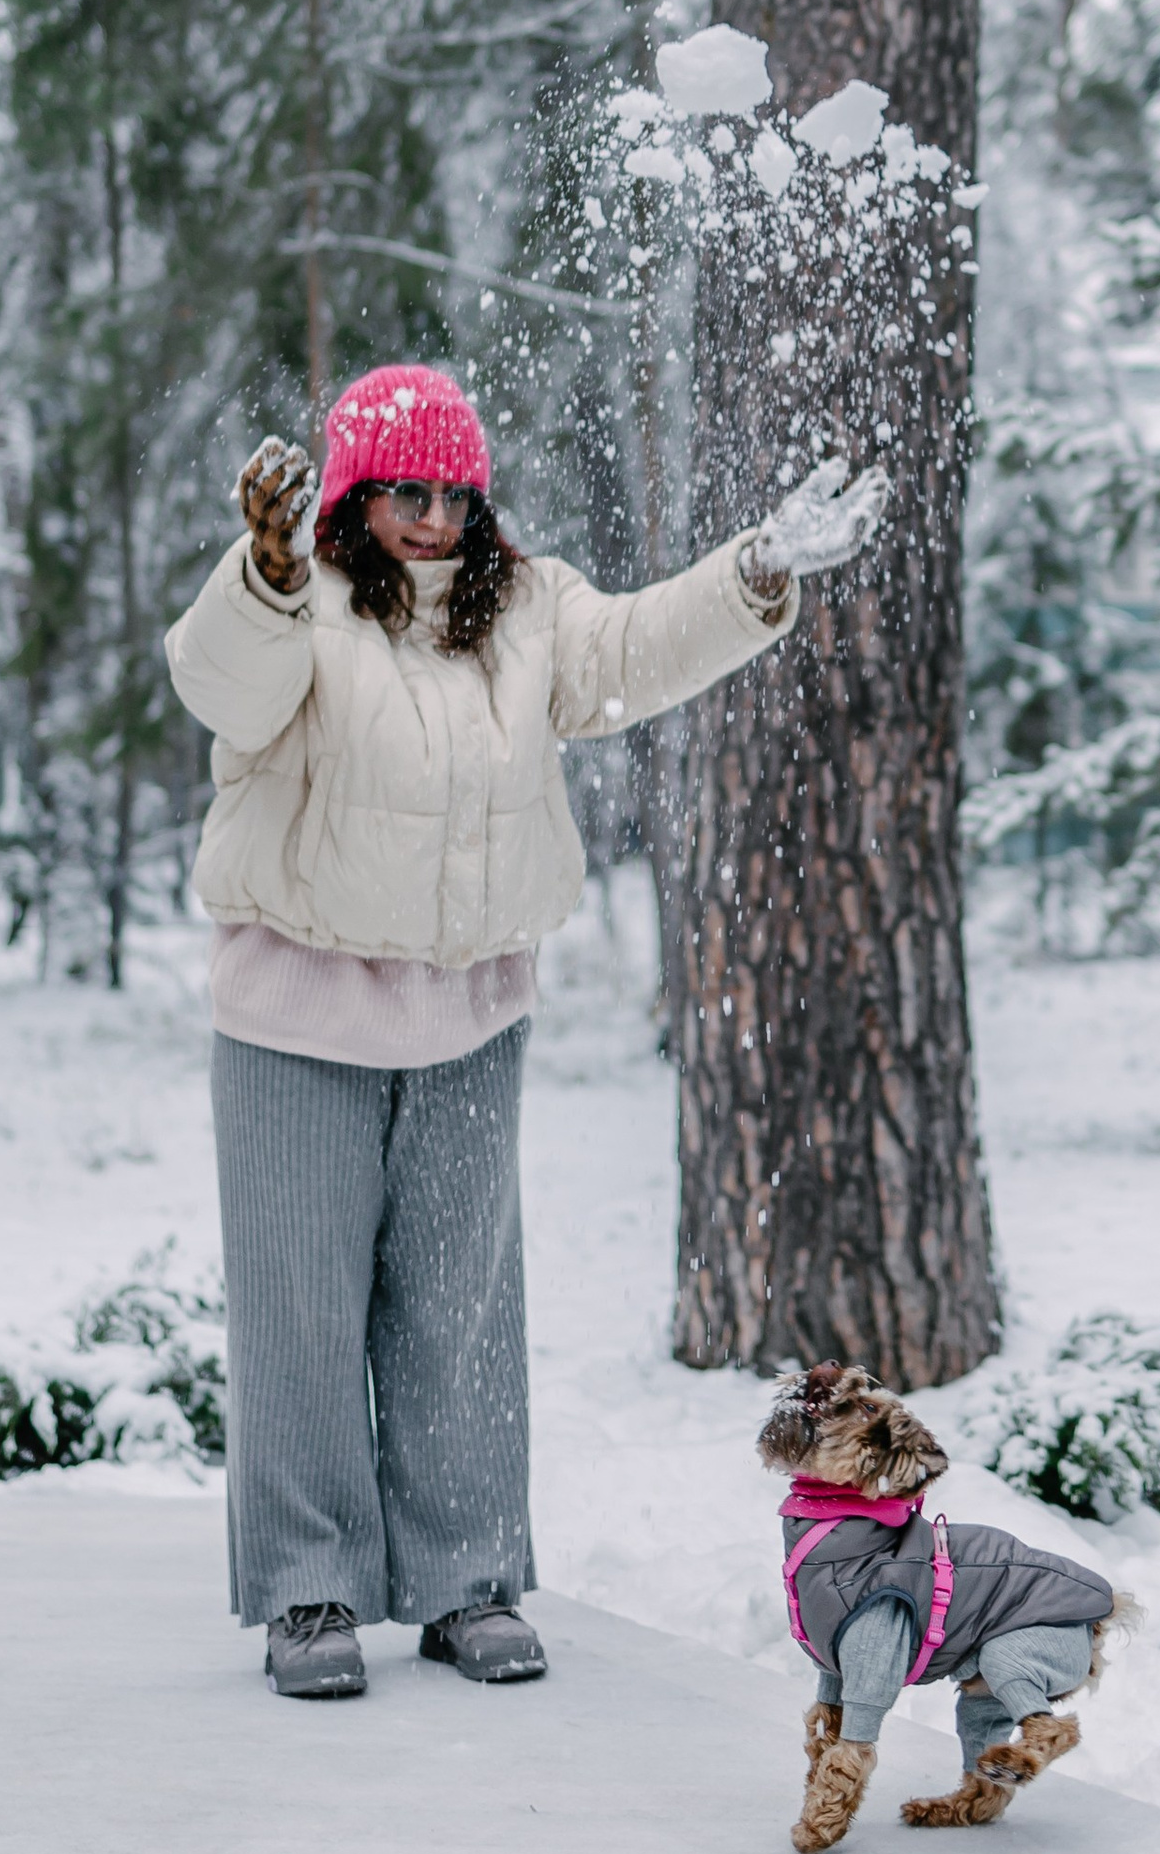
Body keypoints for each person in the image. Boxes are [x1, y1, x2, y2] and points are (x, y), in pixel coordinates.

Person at [163, 360, 886, 1700]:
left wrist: (754, 574)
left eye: (455, 489)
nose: (434, 516)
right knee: (301, 1316)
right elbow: (220, 688)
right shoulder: (296, 604)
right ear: (351, 495)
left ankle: (467, 1578)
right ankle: (309, 1590)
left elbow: (634, 655)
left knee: (461, 1313)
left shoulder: (528, 609)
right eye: (403, 491)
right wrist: (258, 573)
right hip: (295, 1022)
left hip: (470, 1015)